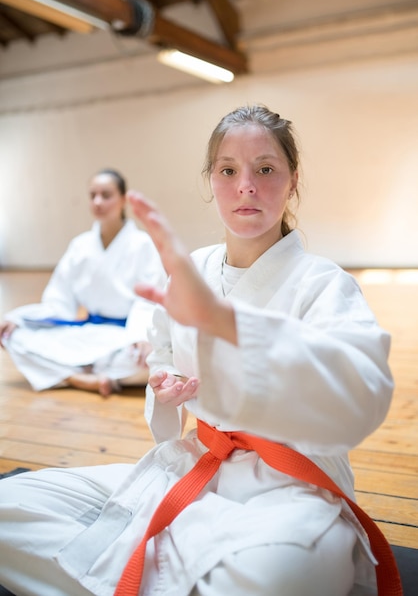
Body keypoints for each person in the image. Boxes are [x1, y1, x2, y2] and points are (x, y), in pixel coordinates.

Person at [0, 105, 399, 596]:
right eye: (228, 170)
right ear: (210, 181)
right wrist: (164, 386)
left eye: (266, 169)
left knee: (283, 577)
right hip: (195, 464)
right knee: (9, 507)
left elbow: (362, 396)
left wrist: (225, 323)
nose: (245, 185)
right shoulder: (193, 270)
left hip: (290, 491)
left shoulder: (323, 284)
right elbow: (163, 355)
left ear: (293, 180)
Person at [0, 168, 166, 396]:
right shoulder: (80, 246)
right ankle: (78, 377)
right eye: (93, 195)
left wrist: (139, 337)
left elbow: (148, 301)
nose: (98, 202)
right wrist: (18, 318)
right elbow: (58, 302)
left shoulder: (142, 244)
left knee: (153, 358)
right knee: (13, 336)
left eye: (106, 195)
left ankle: (69, 371)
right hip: (87, 334)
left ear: (123, 200)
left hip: (123, 338)